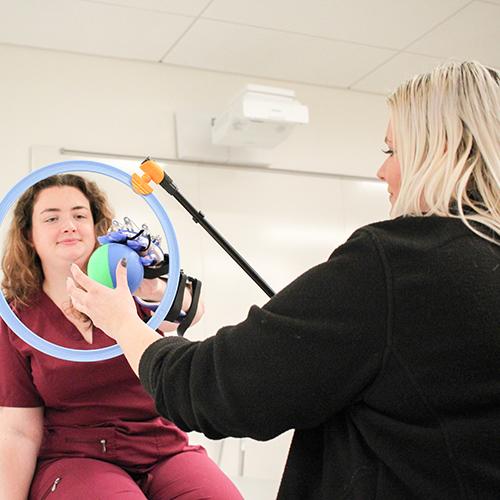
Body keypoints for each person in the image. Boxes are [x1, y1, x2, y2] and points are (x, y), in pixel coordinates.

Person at [68, 60, 500, 499]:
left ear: (441, 149)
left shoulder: (398, 264)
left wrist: (124, 321)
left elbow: (212, 388)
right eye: (52, 217)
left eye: (391, 151)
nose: (381, 172)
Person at [0, 174, 243, 499]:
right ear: (30, 236)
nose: (69, 225)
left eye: (79, 215)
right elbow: (19, 430)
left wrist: (152, 283)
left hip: (161, 448)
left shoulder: (127, 286)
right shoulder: (17, 319)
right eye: (52, 218)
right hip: (75, 458)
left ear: (96, 227)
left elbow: (191, 313)